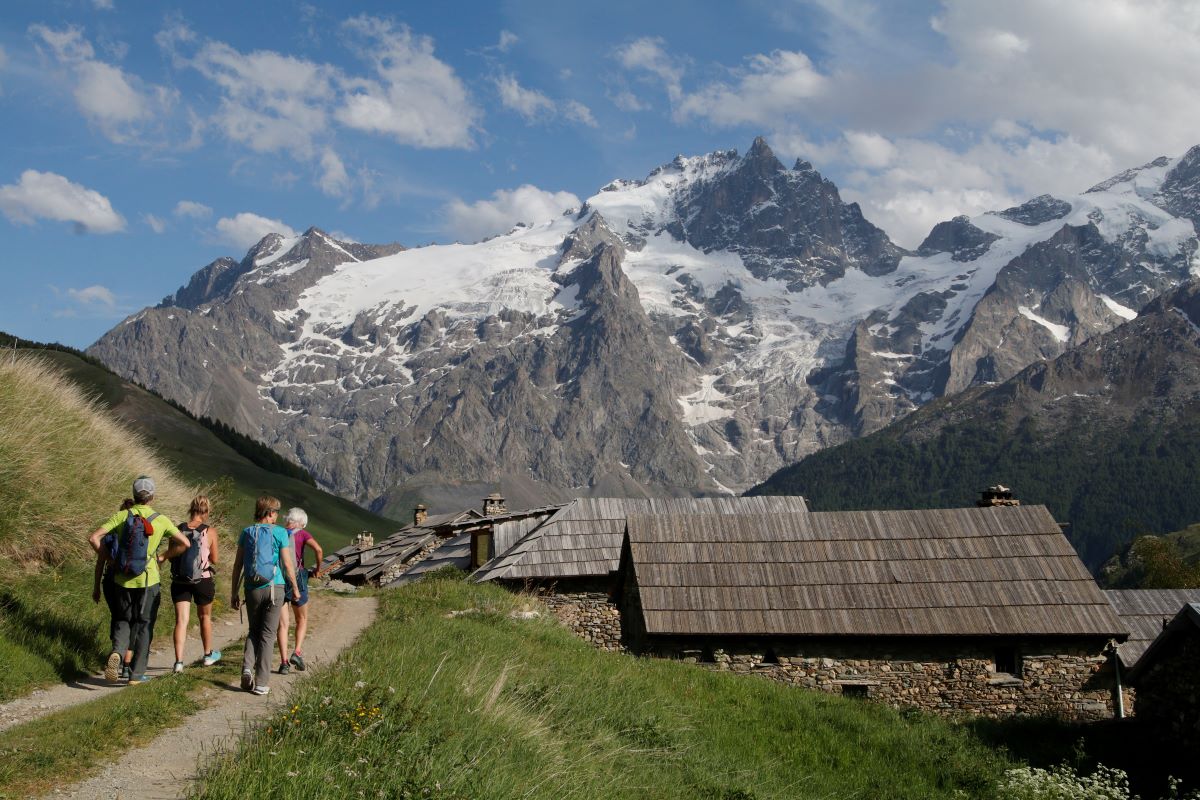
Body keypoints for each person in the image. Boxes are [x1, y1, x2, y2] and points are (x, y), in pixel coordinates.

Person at [88, 476, 189, 684]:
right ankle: (135, 674)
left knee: (122, 619)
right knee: (144, 624)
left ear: (134, 495)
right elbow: (184, 543)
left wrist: (109, 559)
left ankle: (117, 651)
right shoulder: (160, 519)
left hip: (121, 579)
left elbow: (94, 538)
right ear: (152, 496)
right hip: (148, 580)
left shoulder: (122, 516)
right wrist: (164, 556)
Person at [230, 494, 299, 696]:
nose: (277, 516)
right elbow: (287, 564)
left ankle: (246, 668)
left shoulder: (246, 532)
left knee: (253, 631)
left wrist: (234, 592)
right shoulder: (279, 533)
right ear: (270, 513)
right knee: (268, 635)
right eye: (276, 512)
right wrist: (294, 587)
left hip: (252, 589)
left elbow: (237, 565)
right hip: (274, 588)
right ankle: (261, 683)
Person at [169, 495, 222, 672]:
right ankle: (208, 655)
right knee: (204, 617)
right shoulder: (210, 532)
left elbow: (172, 555)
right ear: (205, 512)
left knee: (181, 621)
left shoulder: (178, 529)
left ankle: (178, 662)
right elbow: (214, 559)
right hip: (203, 580)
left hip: (180, 580)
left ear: (191, 509)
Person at [91, 497, 135, 680]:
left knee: (117, 617)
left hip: (110, 580)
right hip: (131, 580)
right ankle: (126, 664)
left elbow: (100, 561)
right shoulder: (138, 530)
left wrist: (96, 588)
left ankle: (115, 652)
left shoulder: (111, 533)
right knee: (132, 620)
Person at [276, 508, 323, 674]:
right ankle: (296, 652)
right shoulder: (303, 534)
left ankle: (283, 663)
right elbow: (318, 549)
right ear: (301, 522)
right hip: (298, 578)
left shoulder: (278, 532)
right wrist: (318, 569)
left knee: (282, 624)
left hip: (279, 580)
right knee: (301, 618)